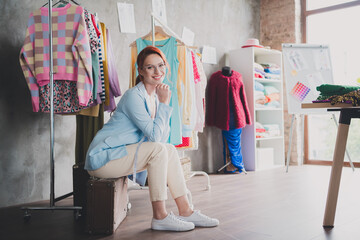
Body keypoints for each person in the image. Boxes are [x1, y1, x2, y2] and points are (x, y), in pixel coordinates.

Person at [85, 46, 219, 231]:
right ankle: (160, 216)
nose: (157, 72)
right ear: (140, 70)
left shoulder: (154, 97)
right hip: (103, 158)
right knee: (158, 150)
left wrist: (161, 102)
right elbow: (155, 138)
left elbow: (161, 140)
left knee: (169, 149)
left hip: (121, 154)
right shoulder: (134, 96)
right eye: (150, 67)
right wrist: (164, 103)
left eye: (161, 65)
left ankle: (186, 210)